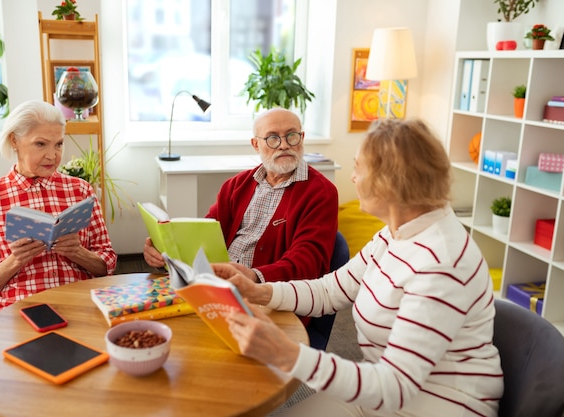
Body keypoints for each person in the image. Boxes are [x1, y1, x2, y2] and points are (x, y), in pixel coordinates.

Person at [214, 118, 504, 417]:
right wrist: (259, 290)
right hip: (379, 386)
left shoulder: (441, 263)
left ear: (390, 180)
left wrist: (287, 354)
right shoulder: (397, 232)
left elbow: (396, 386)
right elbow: (330, 290)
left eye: (358, 167)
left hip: (436, 404)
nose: (352, 178)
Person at [143, 107, 339, 345]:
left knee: (194, 345)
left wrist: (255, 277)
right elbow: (204, 234)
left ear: (302, 138)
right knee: (155, 327)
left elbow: (307, 263)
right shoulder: (235, 186)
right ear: (256, 144)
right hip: (218, 288)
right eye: (273, 138)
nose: (284, 145)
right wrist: (165, 250)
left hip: (269, 301)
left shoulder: (321, 193)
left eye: (292, 135)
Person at [0, 100, 117, 319]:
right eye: (41, 144)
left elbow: (107, 265)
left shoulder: (80, 190)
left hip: (79, 303)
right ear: (14, 141)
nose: (53, 155)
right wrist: (15, 260)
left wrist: (78, 253)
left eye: (59, 144)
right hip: (18, 309)